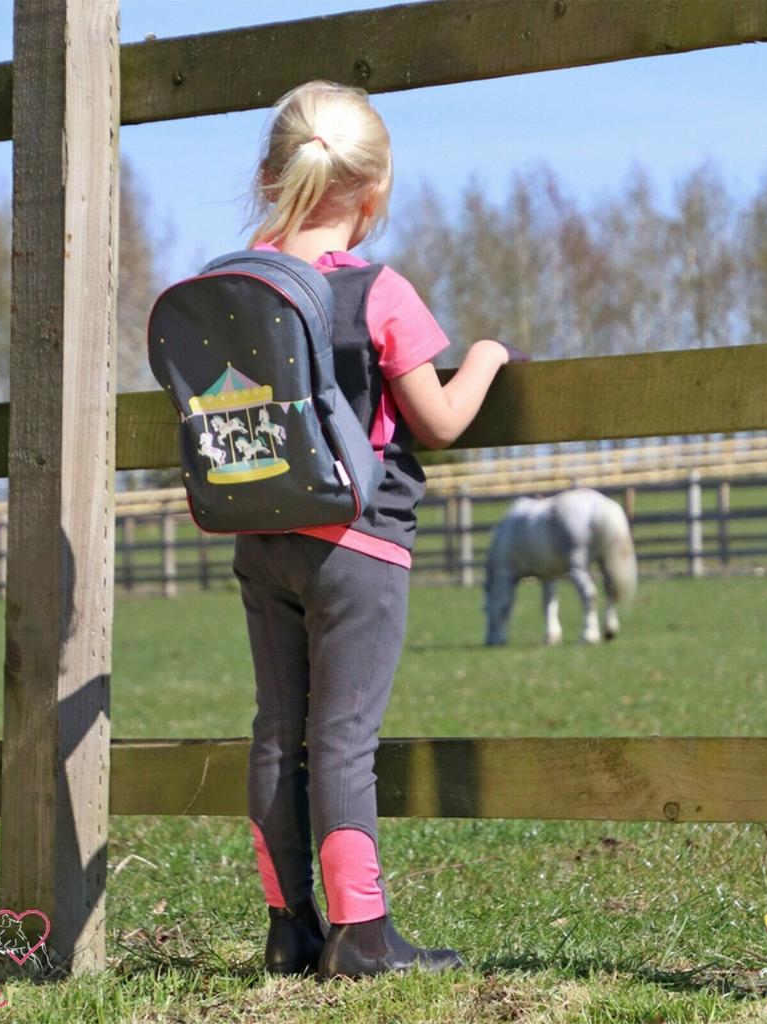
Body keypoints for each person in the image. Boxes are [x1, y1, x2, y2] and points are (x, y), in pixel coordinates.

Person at [232, 80, 523, 980]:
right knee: (345, 736)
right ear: (374, 194)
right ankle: (362, 935)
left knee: (279, 732)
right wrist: (484, 358)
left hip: (262, 535)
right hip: (357, 548)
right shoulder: (381, 293)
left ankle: (290, 926)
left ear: (268, 175)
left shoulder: (236, 280)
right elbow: (434, 421)